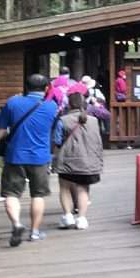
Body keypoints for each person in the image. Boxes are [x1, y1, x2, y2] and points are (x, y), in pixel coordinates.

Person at [0, 74, 63, 246]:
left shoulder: (13, 103)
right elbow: (55, 131)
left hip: (15, 156)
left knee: (11, 194)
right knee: (38, 195)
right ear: (46, 88)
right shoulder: (51, 106)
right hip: (40, 157)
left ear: (26, 87)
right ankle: (35, 233)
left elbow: (1, 128)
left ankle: (16, 224)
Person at [54, 92, 103, 231]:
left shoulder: (63, 120)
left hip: (68, 160)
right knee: (83, 189)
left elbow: (57, 141)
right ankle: (81, 218)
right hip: (88, 160)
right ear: (84, 104)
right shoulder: (94, 120)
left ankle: (68, 216)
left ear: (69, 104)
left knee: (64, 188)